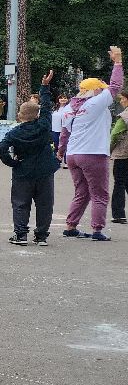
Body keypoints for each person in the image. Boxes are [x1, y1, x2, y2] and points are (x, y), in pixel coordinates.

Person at [58, 46, 125, 240]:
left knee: (82, 192)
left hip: (73, 155)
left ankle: (71, 226)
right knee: (100, 194)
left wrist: (61, 151)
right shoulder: (96, 102)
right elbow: (115, 86)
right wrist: (118, 62)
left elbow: (64, 132)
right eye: (101, 88)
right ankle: (97, 229)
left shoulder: (71, 107)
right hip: (93, 153)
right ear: (95, 90)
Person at [0, 71, 59, 246]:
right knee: (45, 204)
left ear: (20, 115)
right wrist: (44, 86)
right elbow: (46, 107)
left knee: (20, 203)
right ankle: (41, 236)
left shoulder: (14, 132)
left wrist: (12, 162)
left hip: (23, 170)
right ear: (36, 115)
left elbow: (1, 148)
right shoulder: (44, 125)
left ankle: (21, 234)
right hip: (45, 169)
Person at [111, 89, 128, 225]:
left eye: (123, 99)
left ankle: (118, 214)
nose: (121, 101)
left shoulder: (124, 116)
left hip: (123, 153)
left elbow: (114, 135)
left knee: (119, 182)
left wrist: (108, 150)